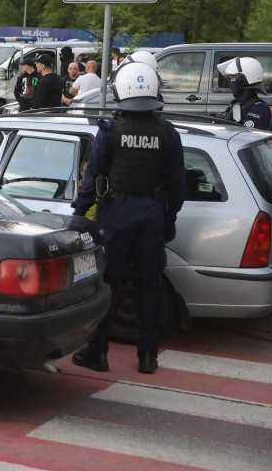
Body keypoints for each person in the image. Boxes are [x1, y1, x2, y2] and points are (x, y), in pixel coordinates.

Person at [71, 62, 185, 375]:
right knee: (150, 285)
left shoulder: (110, 130)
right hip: (152, 216)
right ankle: (148, 357)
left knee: (110, 283)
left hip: (117, 216)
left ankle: (98, 352)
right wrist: (170, 216)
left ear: (122, 91)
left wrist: (79, 214)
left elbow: (92, 178)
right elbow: (177, 182)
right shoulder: (167, 133)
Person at [215, 57, 272, 131]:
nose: (231, 83)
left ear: (244, 80)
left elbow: (247, 136)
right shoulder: (238, 103)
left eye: (233, 79)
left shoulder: (259, 108)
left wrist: (229, 124)